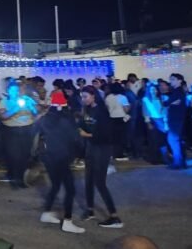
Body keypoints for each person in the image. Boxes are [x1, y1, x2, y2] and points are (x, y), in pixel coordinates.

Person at [35, 95, 85, 234]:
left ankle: (46, 213)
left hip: (47, 157)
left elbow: (34, 132)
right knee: (70, 189)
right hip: (62, 157)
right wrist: (81, 155)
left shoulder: (44, 118)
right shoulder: (67, 119)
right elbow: (76, 140)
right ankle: (67, 221)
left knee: (56, 185)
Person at [79, 86, 123, 228]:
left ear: (93, 96)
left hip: (102, 148)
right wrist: (80, 129)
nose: (83, 99)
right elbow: (81, 124)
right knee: (88, 180)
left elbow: (106, 134)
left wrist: (87, 135)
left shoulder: (102, 111)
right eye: (82, 97)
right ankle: (90, 210)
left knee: (100, 182)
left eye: (86, 96)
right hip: (91, 148)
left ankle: (114, 217)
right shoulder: (86, 109)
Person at [0, 82, 37, 188]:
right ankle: (14, 178)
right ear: (8, 91)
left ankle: (21, 179)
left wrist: (31, 107)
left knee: (25, 155)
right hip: (11, 131)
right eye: (12, 90)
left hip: (27, 129)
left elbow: (36, 113)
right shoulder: (4, 101)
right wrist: (15, 109)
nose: (15, 92)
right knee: (14, 155)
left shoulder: (27, 99)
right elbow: (3, 117)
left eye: (16, 90)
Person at [164, 73, 188, 169]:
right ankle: (181, 162)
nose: (171, 81)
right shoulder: (178, 91)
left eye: (173, 79)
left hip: (175, 120)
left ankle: (177, 163)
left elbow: (166, 103)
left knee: (173, 140)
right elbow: (169, 103)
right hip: (177, 119)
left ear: (179, 81)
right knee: (176, 141)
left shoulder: (178, 92)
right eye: (170, 79)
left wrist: (169, 103)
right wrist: (170, 103)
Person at [142, 82, 168, 165]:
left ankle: (163, 158)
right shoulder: (146, 100)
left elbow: (164, 111)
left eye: (155, 89)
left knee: (162, 140)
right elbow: (145, 112)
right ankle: (154, 159)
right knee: (154, 141)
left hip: (161, 121)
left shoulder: (161, 98)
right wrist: (148, 123)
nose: (154, 91)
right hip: (152, 121)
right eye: (151, 90)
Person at [104, 83, 130, 161]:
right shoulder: (123, 97)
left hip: (111, 118)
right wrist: (129, 107)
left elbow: (107, 108)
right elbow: (126, 109)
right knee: (121, 137)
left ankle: (113, 154)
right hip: (121, 118)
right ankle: (119, 154)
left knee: (114, 137)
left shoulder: (108, 97)